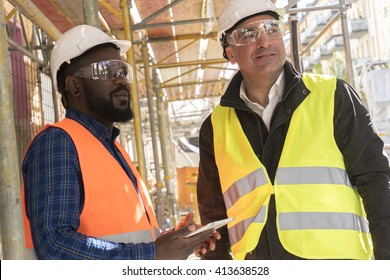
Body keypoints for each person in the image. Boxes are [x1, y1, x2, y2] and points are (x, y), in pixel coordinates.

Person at [196, 0, 390, 260]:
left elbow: (376, 180)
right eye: (248, 34)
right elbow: (213, 220)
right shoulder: (215, 127)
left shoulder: (333, 96)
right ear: (230, 52)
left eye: (271, 28)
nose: (264, 41)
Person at [21, 24, 219, 260]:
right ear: (74, 86)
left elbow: (125, 237)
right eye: (106, 71)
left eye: (123, 71)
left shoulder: (111, 148)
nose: (122, 80)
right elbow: (55, 245)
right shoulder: (57, 143)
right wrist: (152, 254)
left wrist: (174, 241)